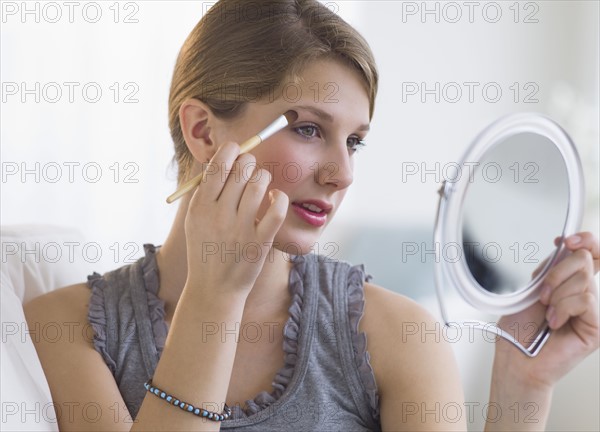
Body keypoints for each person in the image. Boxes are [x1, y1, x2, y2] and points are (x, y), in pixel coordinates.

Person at [24, 0, 599, 431]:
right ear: (201, 130)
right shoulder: (69, 331)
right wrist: (216, 298)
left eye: (354, 142)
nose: (341, 174)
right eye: (307, 130)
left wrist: (523, 387)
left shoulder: (395, 337)